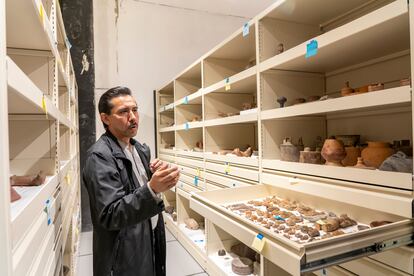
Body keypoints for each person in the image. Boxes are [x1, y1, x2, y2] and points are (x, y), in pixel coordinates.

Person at [83, 86, 180, 276]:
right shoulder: (99, 157)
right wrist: (152, 189)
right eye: (123, 112)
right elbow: (110, 214)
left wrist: (153, 176)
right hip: (123, 254)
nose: (133, 117)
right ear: (105, 118)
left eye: (134, 109)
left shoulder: (139, 150)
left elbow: (133, 190)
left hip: (148, 238)